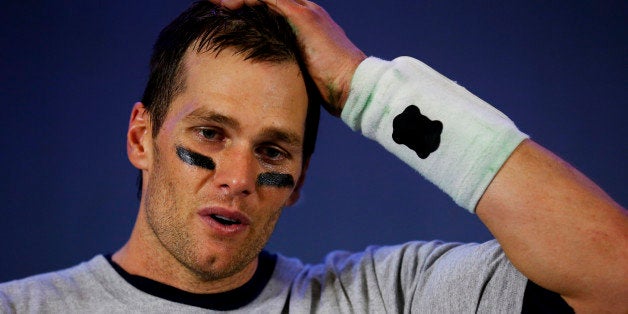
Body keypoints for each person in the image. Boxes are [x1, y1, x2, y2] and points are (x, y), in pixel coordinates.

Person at [1, 0, 626, 313]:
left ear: (298, 179)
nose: (240, 178)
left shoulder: (387, 297)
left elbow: (614, 274)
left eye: (272, 149)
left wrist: (367, 89)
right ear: (142, 138)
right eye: (211, 134)